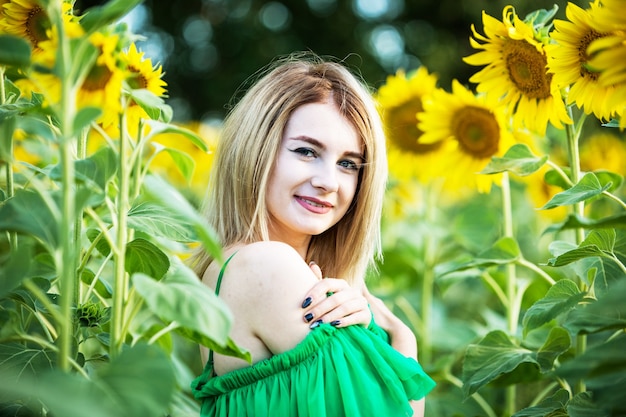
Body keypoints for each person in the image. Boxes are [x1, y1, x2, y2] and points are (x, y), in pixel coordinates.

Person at [190, 52, 435, 416]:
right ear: (256, 150)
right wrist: (402, 337)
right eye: (306, 151)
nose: (327, 182)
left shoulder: (233, 263)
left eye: (348, 164)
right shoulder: (265, 265)